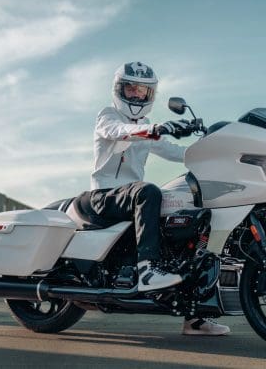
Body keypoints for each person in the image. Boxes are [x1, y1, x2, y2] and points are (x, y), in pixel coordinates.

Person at [69, 61, 230, 336]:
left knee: (192, 216)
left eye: (142, 91)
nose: (135, 95)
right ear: (118, 89)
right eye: (130, 88)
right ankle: (147, 270)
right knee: (149, 190)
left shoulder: (146, 126)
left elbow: (177, 152)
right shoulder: (108, 116)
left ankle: (194, 317)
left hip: (131, 200)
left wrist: (213, 150)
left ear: (150, 94)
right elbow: (119, 132)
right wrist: (159, 128)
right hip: (101, 197)